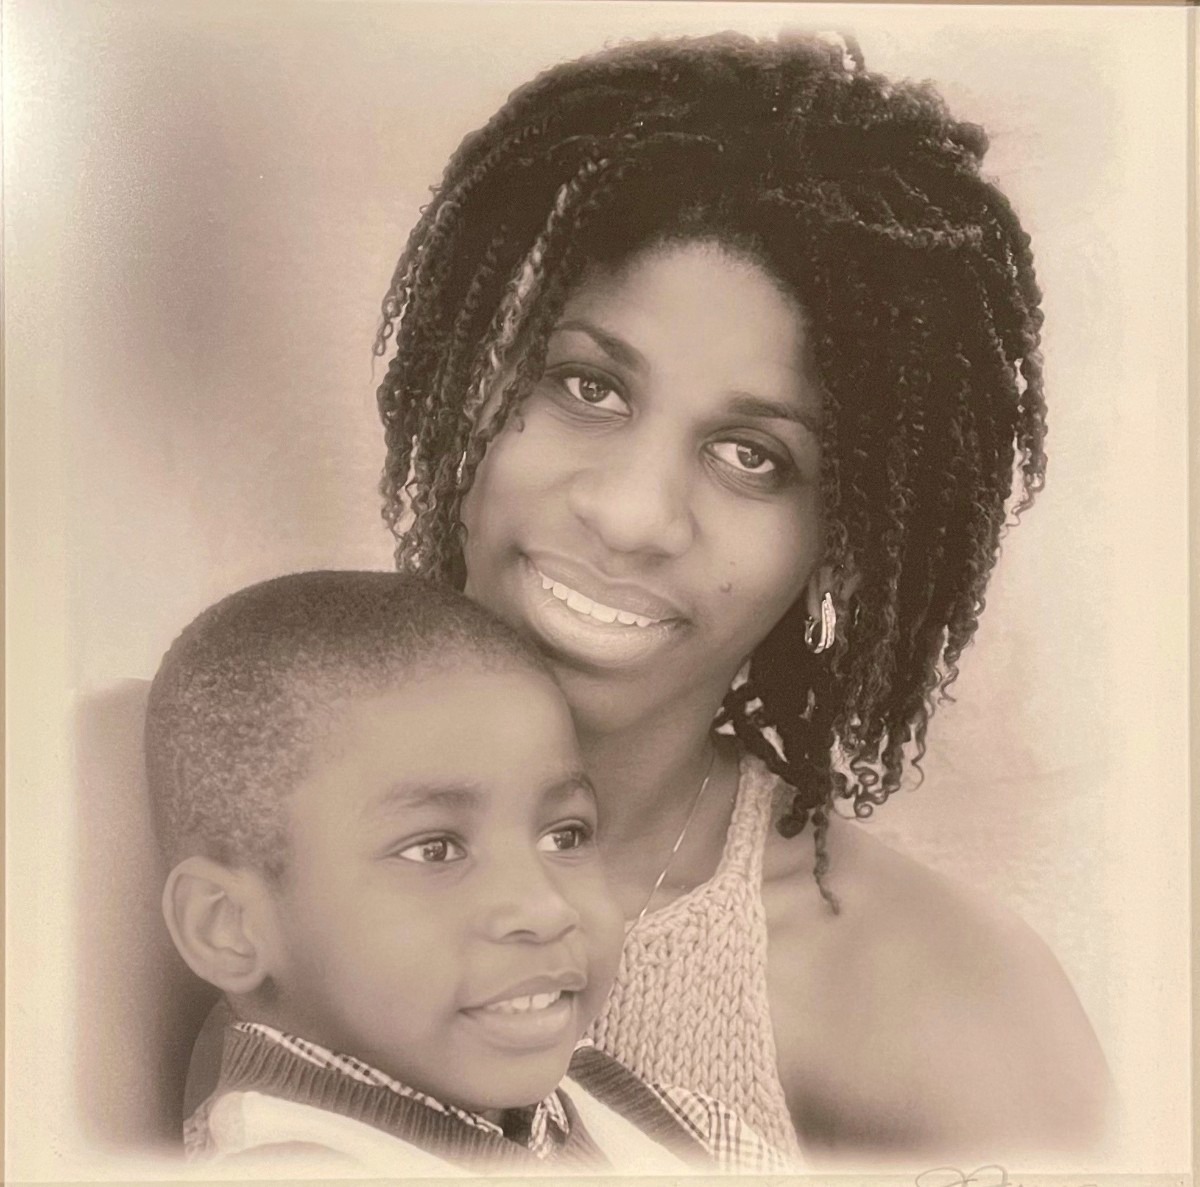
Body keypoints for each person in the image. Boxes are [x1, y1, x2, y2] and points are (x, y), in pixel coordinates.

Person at [372, 30, 1110, 1165]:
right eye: (587, 385)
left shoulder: (939, 1009)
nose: (632, 513)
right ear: (468, 378)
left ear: (842, 546)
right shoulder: (169, 802)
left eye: (752, 456)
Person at [148, 570, 790, 1173]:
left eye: (565, 835)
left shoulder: (674, 1126)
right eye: (435, 850)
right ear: (228, 927)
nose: (546, 908)